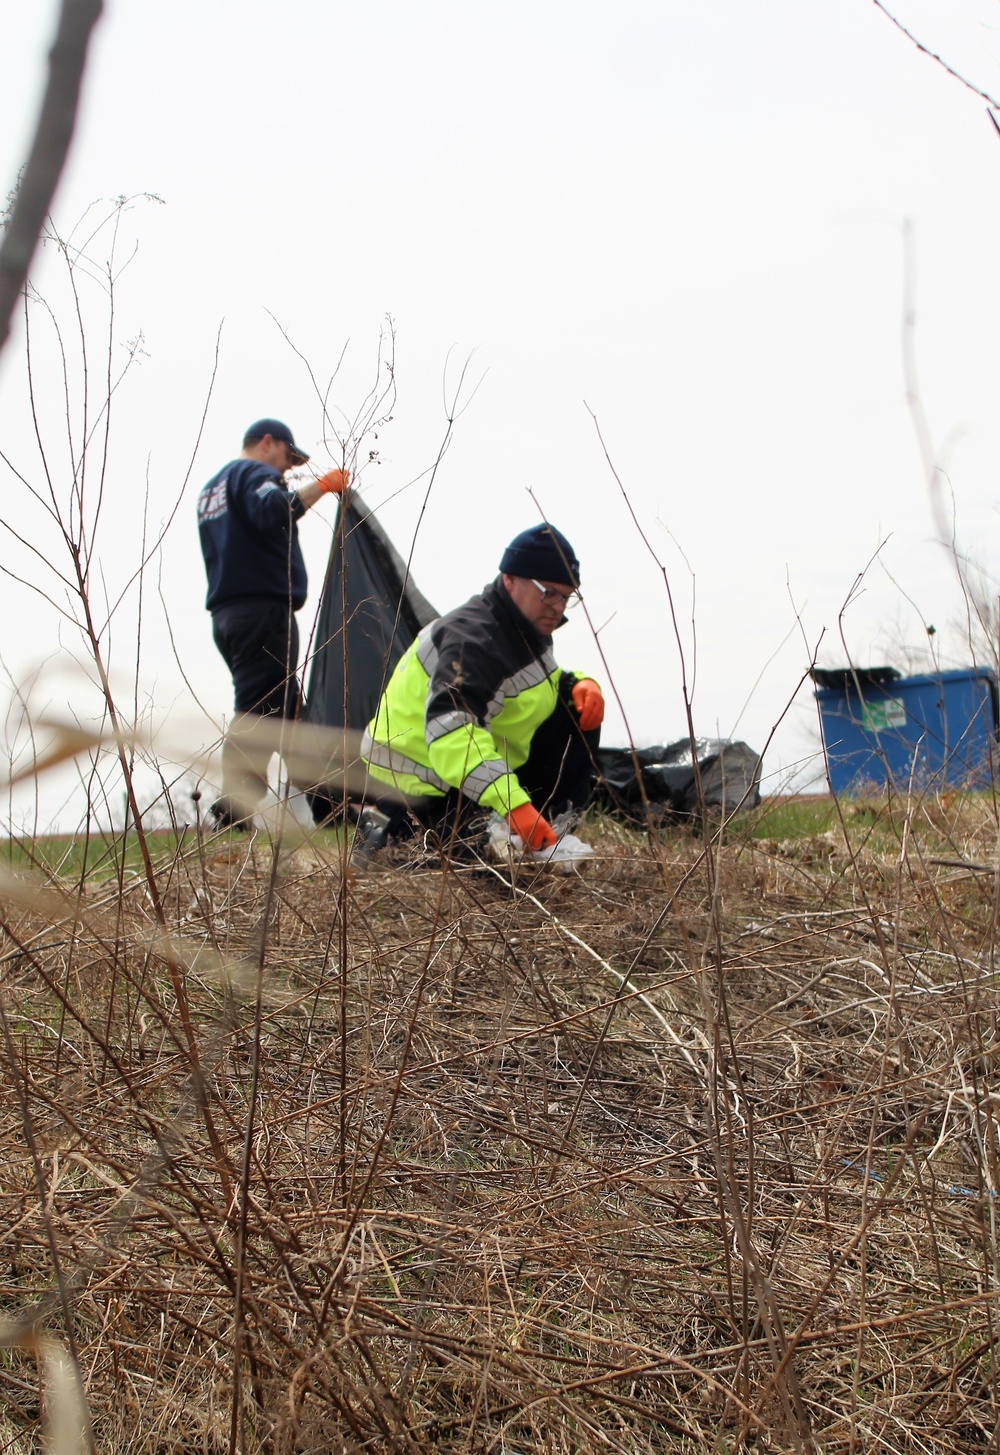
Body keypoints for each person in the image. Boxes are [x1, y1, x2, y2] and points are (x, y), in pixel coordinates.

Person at [359, 522, 604, 859]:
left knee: (574, 709)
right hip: (419, 783)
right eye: (548, 592)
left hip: (465, 776)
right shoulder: (475, 639)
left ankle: (550, 827)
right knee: (480, 866)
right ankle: (386, 835)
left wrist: (579, 683)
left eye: (567, 596)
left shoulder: (526, 626)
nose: (558, 607)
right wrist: (512, 803)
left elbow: (535, 682)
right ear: (510, 579)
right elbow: (450, 731)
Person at [197, 417, 348, 828]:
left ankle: (328, 803)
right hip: (262, 613)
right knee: (258, 712)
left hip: (228, 617)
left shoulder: (213, 489)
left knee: (287, 711)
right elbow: (273, 510)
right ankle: (233, 809)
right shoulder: (255, 473)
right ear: (267, 443)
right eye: (287, 457)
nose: (285, 469)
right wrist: (324, 485)